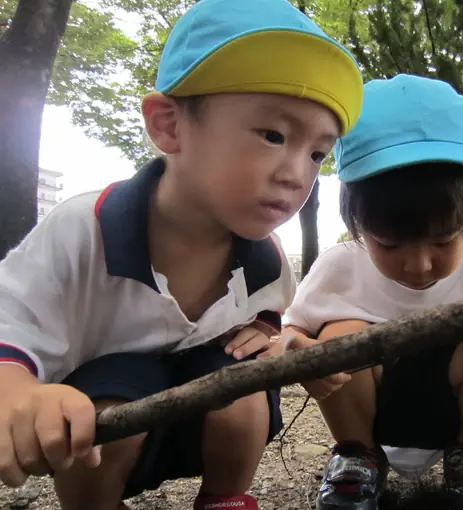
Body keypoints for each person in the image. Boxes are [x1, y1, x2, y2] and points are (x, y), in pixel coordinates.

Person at [0, 1, 363, 509]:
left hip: (204, 419)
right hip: (102, 428)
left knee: (243, 390)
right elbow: (11, 323)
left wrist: (277, 342)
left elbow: (265, 314)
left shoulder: (266, 260)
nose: (297, 174)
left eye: (317, 154)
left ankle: (225, 499)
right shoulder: (87, 230)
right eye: (273, 135)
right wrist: (15, 390)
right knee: (114, 397)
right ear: (169, 124)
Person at [282, 74, 463, 510]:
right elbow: (291, 335)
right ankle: (356, 459)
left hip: (458, 414)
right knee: (340, 335)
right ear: (357, 227)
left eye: (444, 241)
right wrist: (296, 349)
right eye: (389, 244)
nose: (419, 264)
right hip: (371, 414)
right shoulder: (340, 265)